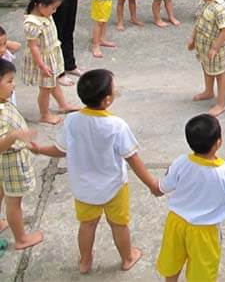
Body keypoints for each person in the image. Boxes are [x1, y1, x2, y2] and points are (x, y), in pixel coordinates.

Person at [30, 69, 159, 274]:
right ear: (107, 100)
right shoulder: (116, 126)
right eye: (115, 88)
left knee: (87, 225)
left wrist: (38, 149)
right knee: (119, 225)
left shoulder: (72, 121)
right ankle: (128, 257)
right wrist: (152, 184)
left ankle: (85, 261)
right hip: (114, 187)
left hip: (83, 189)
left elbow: (60, 150)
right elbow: (133, 159)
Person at [155, 114, 225, 282]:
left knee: (172, 261)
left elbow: (164, 186)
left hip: (176, 223)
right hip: (204, 230)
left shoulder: (180, 162)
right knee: (203, 272)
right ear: (218, 142)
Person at [0, 59, 42, 250]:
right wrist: (15, 135)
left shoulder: (3, 102)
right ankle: (21, 239)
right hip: (10, 161)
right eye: (9, 81)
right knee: (14, 201)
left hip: (6, 162)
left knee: (2, 192)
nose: (13, 84)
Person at [22, 0, 79, 124]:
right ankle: (44, 114)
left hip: (51, 55)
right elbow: (33, 46)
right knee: (45, 89)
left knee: (53, 84)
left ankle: (63, 105)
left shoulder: (44, 12)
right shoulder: (32, 23)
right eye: (53, 8)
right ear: (41, 5)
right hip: (43, 59)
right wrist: (42, 65)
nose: (54, 11)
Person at [188, 0, 225, 117]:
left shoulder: (221, 8)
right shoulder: (205, 2)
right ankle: (208, 91)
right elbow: (199, 22)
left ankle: (221, 103)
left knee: (219, 74)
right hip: (203, 46)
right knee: (206, 68)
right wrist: (193, 39)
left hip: (216, 49)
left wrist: (215, 47)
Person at [0, 26, 21, 105]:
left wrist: (3, 41)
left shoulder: (4, 55)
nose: (3, 49)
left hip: (8, 100)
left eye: (4, 44)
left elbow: (17, 46)